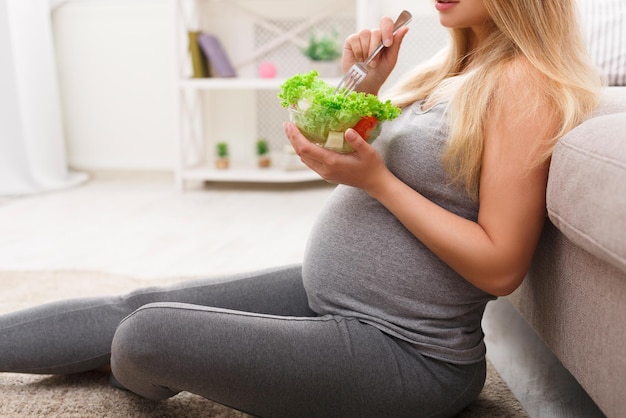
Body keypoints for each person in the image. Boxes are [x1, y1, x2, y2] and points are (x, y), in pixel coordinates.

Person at [0, 1, 602, 417]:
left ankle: (137, 369)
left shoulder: (524, 85)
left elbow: (501, 267)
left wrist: (377, 183)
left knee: (145, 334)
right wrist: (361, 87)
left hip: (406, 356)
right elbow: (362, 155)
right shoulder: (444, 70)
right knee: (140, 304)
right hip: (332, 302)